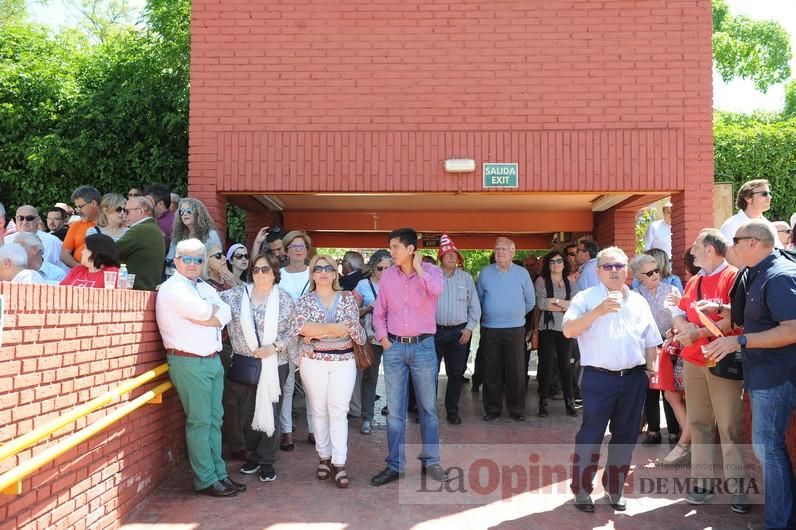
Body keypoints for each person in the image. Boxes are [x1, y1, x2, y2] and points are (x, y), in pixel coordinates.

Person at [703, 220, 796, 530]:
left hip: (778, 376)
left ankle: (778, 523)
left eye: (736, 241)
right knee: (767, 447)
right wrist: (719, 308)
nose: (732, 247)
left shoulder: (779, 275)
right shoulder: (757, 272)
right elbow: (756, 314)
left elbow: (792, 329)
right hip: (765, 374)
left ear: (754, 242)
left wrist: (740, 340)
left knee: (767, 448)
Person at [563, 246, 661, 513]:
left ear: (627, 270)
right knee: (591, 435)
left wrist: (650, 368)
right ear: (598, 271)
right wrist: (597, 311)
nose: (614, 270)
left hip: (633, 379)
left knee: (626, 436)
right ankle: (582, 490)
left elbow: (651, 339)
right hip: (598, 379)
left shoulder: (638, 301)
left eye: (619, 266)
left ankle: (614, 488)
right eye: (608, 266)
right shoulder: (586, 298)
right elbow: (569, 330)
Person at [155, 238, 243, 497]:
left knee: (215, 421)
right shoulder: (173, 288)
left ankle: (220, 474)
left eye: (198, 259)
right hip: (189, 361)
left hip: (212, 360)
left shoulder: (202, 286)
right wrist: (212, 315)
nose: (193, 264)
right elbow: (207, 313)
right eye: (187, 259)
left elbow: (225, 313)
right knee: (200, 422)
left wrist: (213, 316)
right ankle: (206, 479)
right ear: (177, 260)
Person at [671, 228, 750, 514]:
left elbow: (736, 318)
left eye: (696, 247)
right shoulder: (695, 281)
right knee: (701, 424)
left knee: (729, 425)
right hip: (694, 360)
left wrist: (698, 333)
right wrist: (684, 328)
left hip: (722, 360)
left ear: (711, 249)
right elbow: (680, 311)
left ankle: (738, 488)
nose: (691, 252)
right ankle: (702, 483)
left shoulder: (733, 276)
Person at [370, 227, 449, 486]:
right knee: (394, 412)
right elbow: (379, 313)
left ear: (410, 249)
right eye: (391, 247)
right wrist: (383, 340)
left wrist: (420, 269)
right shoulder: (388, 277)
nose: (391, 252)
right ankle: (395, 465)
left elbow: (436, 290)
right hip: (394, 348)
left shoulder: (432, 272)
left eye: (395, 247)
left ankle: (431, 461)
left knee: (428, 409)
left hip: (424, 347)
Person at [220, 252, 296, 483]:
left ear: (275, 272)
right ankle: (252, 455)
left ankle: (266, 460)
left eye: (265, 269)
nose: (260, 273)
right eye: (256, 269)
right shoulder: (236, 295)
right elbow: (208, 300)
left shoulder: (284, 299)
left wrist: (274, 347)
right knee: (246, 412)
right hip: (245, 362)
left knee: (270, 411)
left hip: (275, 363)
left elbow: (294, 331)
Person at [295, 254, 366, 489]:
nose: (323, 271)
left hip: (343, 361)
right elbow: (301, 328)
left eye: (328, 267)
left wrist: (318, 331)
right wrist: (335, 329)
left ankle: (339, 462)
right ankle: (323, 457)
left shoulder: (346, 297)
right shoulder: (304, 300)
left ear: (335, 273)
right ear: (312, 274)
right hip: (312, 361)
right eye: (318, 268)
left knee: (338, 410)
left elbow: (352, 329)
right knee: (318, 410)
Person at [629, 254, 689, 464]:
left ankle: (673, 431)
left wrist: (674, 332)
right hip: (646, 346)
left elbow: (682, 314)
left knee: (670, 389)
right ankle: (653, 430)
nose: (655, 275)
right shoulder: (634, 295)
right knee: (649, 389)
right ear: (639, 276)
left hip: (670, 344)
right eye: (649, 272)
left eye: (657, 270)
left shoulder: (671, 290)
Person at [476, 236, 535, 422]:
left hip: (515, 329)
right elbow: (478, 300)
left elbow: (530, 301)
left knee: (516, 371)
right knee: (491, 371)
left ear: (513, 252)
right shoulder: (485, 273)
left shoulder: (522, 273)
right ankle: (492, 409)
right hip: (490, 329)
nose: (500, 252)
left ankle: (516, 409)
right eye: (497, 249)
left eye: (503, 249)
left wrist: (515, 315)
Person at [435, 234, 481, 425]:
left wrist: (469, 329)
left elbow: (475, 307)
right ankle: (427, 413)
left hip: (459, 333)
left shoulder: (466, 278)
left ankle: (452, 411)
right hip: (434, 332)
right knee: (429, 375)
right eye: (447, 254)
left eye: (454, 254)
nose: (451, 257)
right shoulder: (431, 277)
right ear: (440, 257)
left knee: (455, 374)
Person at [277, 230, 315, 450]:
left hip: (310, 334)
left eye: (302, 246)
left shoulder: (314, 272)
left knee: (311, 385)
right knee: (288, 385)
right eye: (293, 246)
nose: (298, 249)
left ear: (306, 249)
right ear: (286, 250)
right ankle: (287, 432)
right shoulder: (279, 274)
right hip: (286, 335)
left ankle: (313, 430)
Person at [534, 250, 578, 417]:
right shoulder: (542, 281)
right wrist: (563, 305)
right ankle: (543, 402)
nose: (556, 265)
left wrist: (556, 302)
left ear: (564, 264)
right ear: (547, 265)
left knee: (565, 366)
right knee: (546, 365)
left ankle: (570, 401)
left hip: (565, 328)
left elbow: (574, 306)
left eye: (559, 261)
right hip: (547, 328)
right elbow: (542, 304)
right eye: (552, 262)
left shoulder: (570, 282)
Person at [354, 249, 391, 434]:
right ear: (372, 268)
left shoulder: (398, 284)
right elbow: (351, 312)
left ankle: (393, 411)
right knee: (370, 377)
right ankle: (367, 417)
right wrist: (369, 307)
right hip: (371, 338)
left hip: (394, 337)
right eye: (380, 268)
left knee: (395, 377)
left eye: (388, 268)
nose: (384, 273)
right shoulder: (362, 285)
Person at [720, 179, 782, 266]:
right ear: (748, 198)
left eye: (770, 193)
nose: (769, 197)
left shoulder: (769, 226)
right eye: (764, 194)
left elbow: (778, 254)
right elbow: (731, 261)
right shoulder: (731, 225)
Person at [115, 196, 166, 290]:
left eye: (127, 211)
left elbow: (112, 251)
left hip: (136, 290)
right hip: (146, 289)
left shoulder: (141, 229)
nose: (123, 214)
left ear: (140, 211)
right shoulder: (152, 228)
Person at [166, 198, 222, 276]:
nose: (185, 214)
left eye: (189, 210)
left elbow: (217, 261)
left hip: (204, 280)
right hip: (180, 280)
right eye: (181, 212)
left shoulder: (210, 235)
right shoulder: (177, 236)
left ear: (198, 213)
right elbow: (170, 262)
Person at [5, 205, 65, 272]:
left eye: (29, 218)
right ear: (16, 219)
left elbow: (62, 272)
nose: (25, 222)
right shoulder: (5, 241)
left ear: (38, 219)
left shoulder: (53, 242)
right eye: (20, 218)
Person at [61, 186, 101, 268]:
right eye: (77, 207)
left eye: (80, 207)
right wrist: (79, 267)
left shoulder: (110, 224)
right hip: (81, 273)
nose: (79, 211)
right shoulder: (76, 225)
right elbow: (64, 254)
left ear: (93, 203)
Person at [144, 183, 175, 249]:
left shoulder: (174, 221)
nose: (145, 206)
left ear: (160, 204)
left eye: (148, 202)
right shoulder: (146, 218)